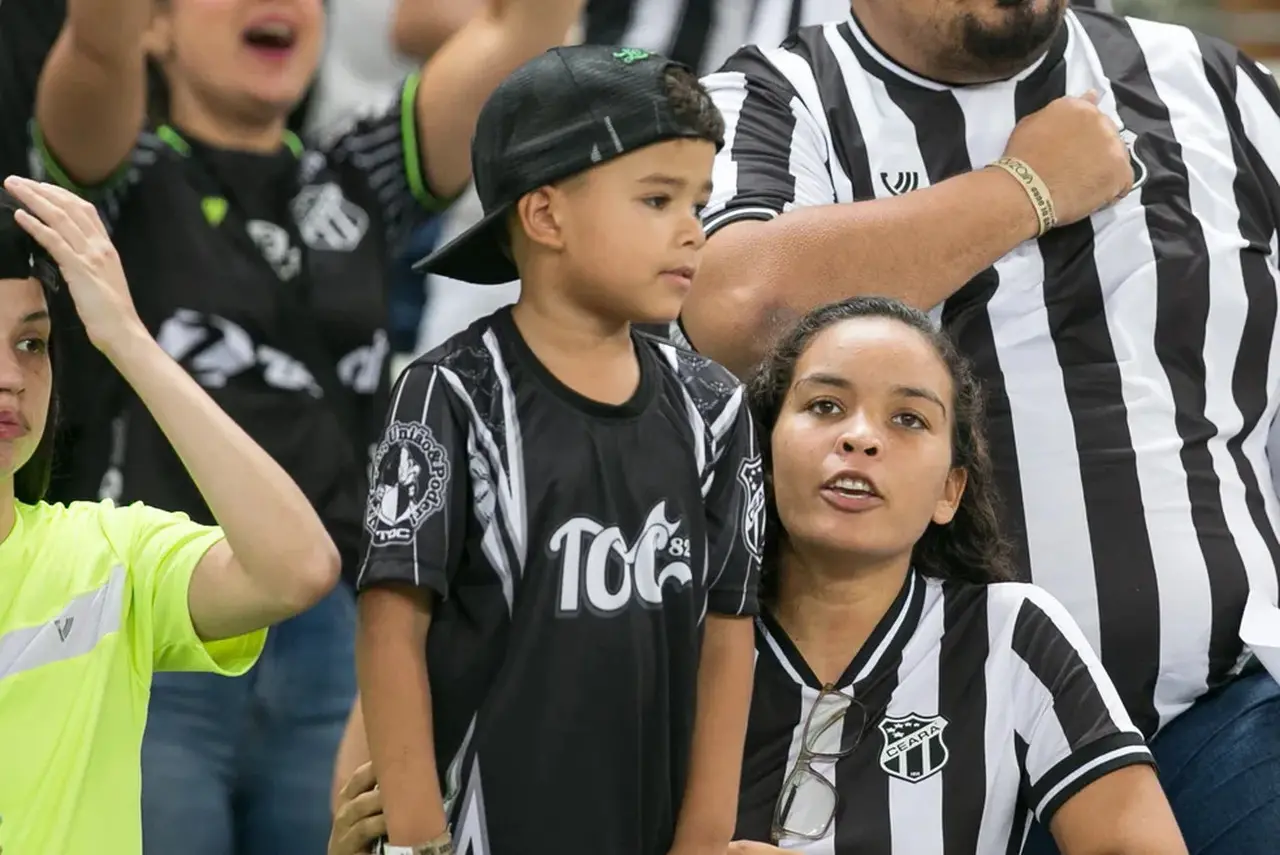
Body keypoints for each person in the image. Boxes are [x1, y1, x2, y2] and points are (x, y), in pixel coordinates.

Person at [680, 2, 1280, 851]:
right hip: (920, 742)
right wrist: (1022, 191)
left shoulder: (1217, 86)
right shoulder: (778, 95)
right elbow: (738, 305)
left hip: (1224, 710)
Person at [331, 294, 1187, 854]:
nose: (859, 437)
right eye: (822, 406)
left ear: (950, 491)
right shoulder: (646, 617)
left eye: (908, 419)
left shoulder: (1011, 635)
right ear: (755, 446)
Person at [29, 0, 583, 851]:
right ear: (157, 27)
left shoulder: (359, 172)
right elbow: (97, 48)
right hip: (161, 615)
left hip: (337, 628)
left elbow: (526, 34)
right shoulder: (117, 176)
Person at [356, 44, 758, 855]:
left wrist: (704, 840)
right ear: (544, 216)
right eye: (657, 199)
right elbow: (391, 625)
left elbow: (728, 634)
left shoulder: (717, 406)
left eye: (700, 201)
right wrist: (415, 841)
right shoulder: (449, 394)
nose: (693, 228)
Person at [0, 177, 339, 853]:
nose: (10, 374)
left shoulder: (106, 552)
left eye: (31, 344)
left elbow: (297, 569)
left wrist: (127, 338)